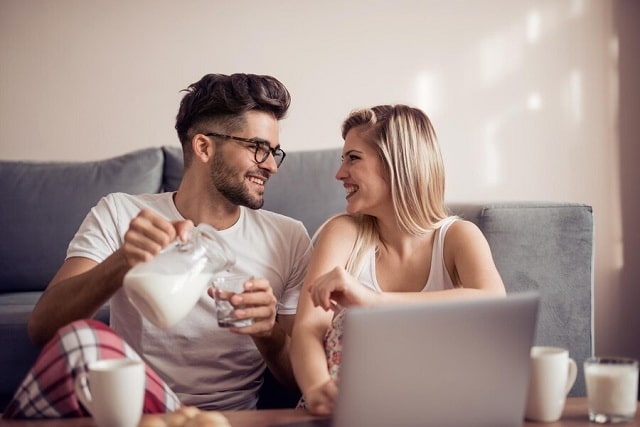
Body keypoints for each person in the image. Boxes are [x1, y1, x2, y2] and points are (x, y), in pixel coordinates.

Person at [3, 73, 312, 418]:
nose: (271, 165)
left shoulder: (290, 237)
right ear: (204, 147)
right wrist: (123, 261)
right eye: (258, 148)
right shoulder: (121, 213)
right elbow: (42, 328)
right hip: (135, 411)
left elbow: (299, 379)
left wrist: (268, 332)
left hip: (224, 420)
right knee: (83, 340)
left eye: (274, 152)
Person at [290, 104, 507, 416]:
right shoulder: (342, 233)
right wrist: (316, 388)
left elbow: (494, 303)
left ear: (396, 165)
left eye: (353, 158)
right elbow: (309, 327)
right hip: (346, 411)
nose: (339, 174)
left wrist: (373, 301)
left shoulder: (458, 237)